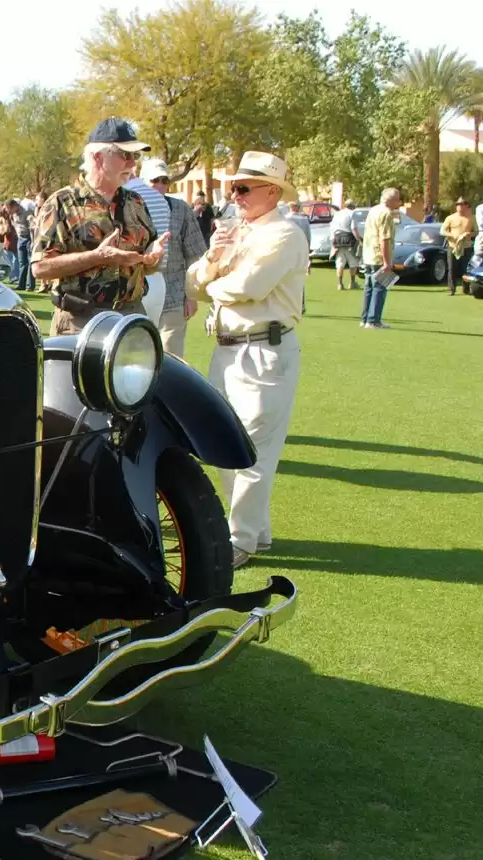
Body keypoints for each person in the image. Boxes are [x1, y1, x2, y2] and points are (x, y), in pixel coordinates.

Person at [185, 151, 308, 569]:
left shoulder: (285, 234)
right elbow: (191, 281)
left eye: (243, 188)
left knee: (252, 447)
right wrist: (214, 264)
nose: (234, 196)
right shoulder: (237, 231)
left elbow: (250, 286)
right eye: (232, 187)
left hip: (263, 351)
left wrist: (212, 278)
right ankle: (257, 529)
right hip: (227, 348)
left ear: (271, 192)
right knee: (223, 440)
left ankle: (240, 538)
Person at [30, 117, 169, 334]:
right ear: (97, 157)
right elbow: (40, 268)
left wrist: (151, 256)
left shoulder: (136, 202)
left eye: (135, 156)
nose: (133, 163)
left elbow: (147, 263)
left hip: (131, 318)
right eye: (125, 155)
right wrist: (97, 257)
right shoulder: (62, 203)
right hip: (80, 321)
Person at [142, 160, 207, 357]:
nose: (161, 185)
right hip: (139, 295)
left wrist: (192, 295)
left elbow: (194, 253)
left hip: (174, 293)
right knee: (139, 354)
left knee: (171, 355)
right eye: (155, 181)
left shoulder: (181, 209)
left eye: (164, 180)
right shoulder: (130, 208)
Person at [360, 187, 401, 329]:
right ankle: (373, 320)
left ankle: (365, 318)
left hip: (368, 254)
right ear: (392, 200)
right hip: (378, 256)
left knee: (368, 287)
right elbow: (385, 239)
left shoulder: (374, 210)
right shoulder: (387, 214)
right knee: (379, 287)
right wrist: (386, 261)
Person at [441, 198, 477, 297]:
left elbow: (477, 232)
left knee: (465, 268)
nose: (460, 207)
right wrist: (452, 235)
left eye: (462, 205)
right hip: (453, 246)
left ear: (466, 206)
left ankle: (466, 289)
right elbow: (442, 231)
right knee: (451, 268)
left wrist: (469, 234)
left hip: (466, 247)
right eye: (458, 205)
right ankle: (451, 289)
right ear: (456, 207)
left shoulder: (472, 218)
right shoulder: (450, 218)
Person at [329, 200, 360, 290]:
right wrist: (359, 238)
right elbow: (353, 228)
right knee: (353, 261)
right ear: (353, 206)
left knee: (340, 262)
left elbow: (332, 227)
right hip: (349, 238)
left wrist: (333, 240)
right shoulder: (352, 213)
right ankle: (352, 283)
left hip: (337, 238)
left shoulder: (337, 214)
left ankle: (340, 284)